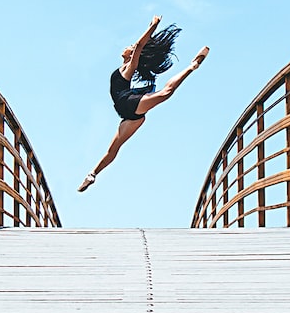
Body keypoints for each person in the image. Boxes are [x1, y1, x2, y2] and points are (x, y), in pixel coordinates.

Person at [79, 14, 208, 192]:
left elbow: (140, 45)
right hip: (128, 113)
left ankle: (192, 66)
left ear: (133, 54)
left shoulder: (129, 67)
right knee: (113, 149)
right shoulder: (124, 67)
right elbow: (139, 46)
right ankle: (92, 174)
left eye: (131, 47)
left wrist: (153, 26)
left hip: (128, 102)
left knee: (165, 93)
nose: (128, 47)